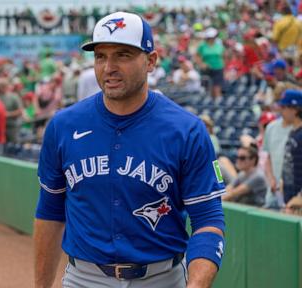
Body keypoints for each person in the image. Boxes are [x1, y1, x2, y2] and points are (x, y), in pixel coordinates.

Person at [34, 11, 225, 288]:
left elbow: (208, 218)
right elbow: (50, 210)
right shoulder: (64, 126)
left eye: (122, 55)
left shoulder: (187, 130)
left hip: (162, 278)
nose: (108, 67)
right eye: (100, 56)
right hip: (84, 278)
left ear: (151, 61)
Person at [280, 90, 302, 205]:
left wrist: (300, 197)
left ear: (295, 109)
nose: (281, 111)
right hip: (290, 197)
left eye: (284, 107)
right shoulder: (293, 132)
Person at [195, 27, 225, 99]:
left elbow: (223, 57)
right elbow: (197, 56)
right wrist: (201, 64)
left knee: (217, 88)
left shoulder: (219, 45)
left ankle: (218, 104)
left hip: (218, 68)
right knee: (208, 89)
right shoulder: (202, 46)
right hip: (206, 70)